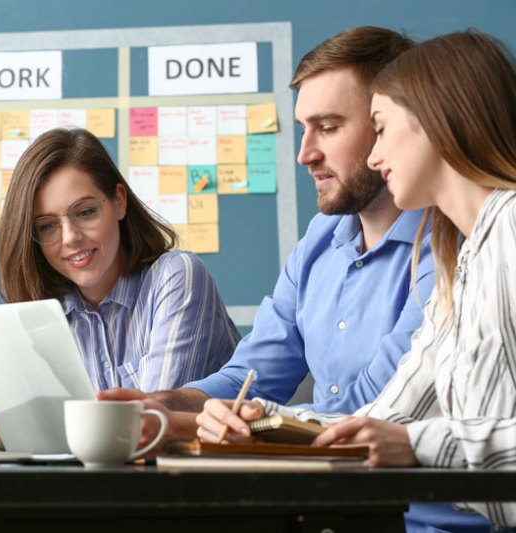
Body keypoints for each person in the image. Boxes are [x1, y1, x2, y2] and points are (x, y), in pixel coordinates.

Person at [101, 26, 489, 531]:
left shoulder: (454, 243)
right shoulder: (320, 239)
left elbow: (372, 414)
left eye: (328, 127)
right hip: (328, 512)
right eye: (303, 128)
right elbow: (252, 375)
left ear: (390, 123)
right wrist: (165, 401)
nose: (305, 153)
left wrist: (178, 425)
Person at [200, 30, 516, 530]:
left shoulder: (506, 231)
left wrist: (416, 444)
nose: (374, 155)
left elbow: (398, 431)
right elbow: (388, 415)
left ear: (436, 121)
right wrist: (260, 420)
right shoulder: (465, 255)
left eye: (382, 128)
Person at [0, 127, 240, 451]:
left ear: (119, 202)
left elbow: (146, 429)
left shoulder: (176, 277)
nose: (69, 237)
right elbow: (8, 420)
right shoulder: (42, 312)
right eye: (47, 226)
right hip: (96, 494)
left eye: (85, 212)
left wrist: (10, 436)